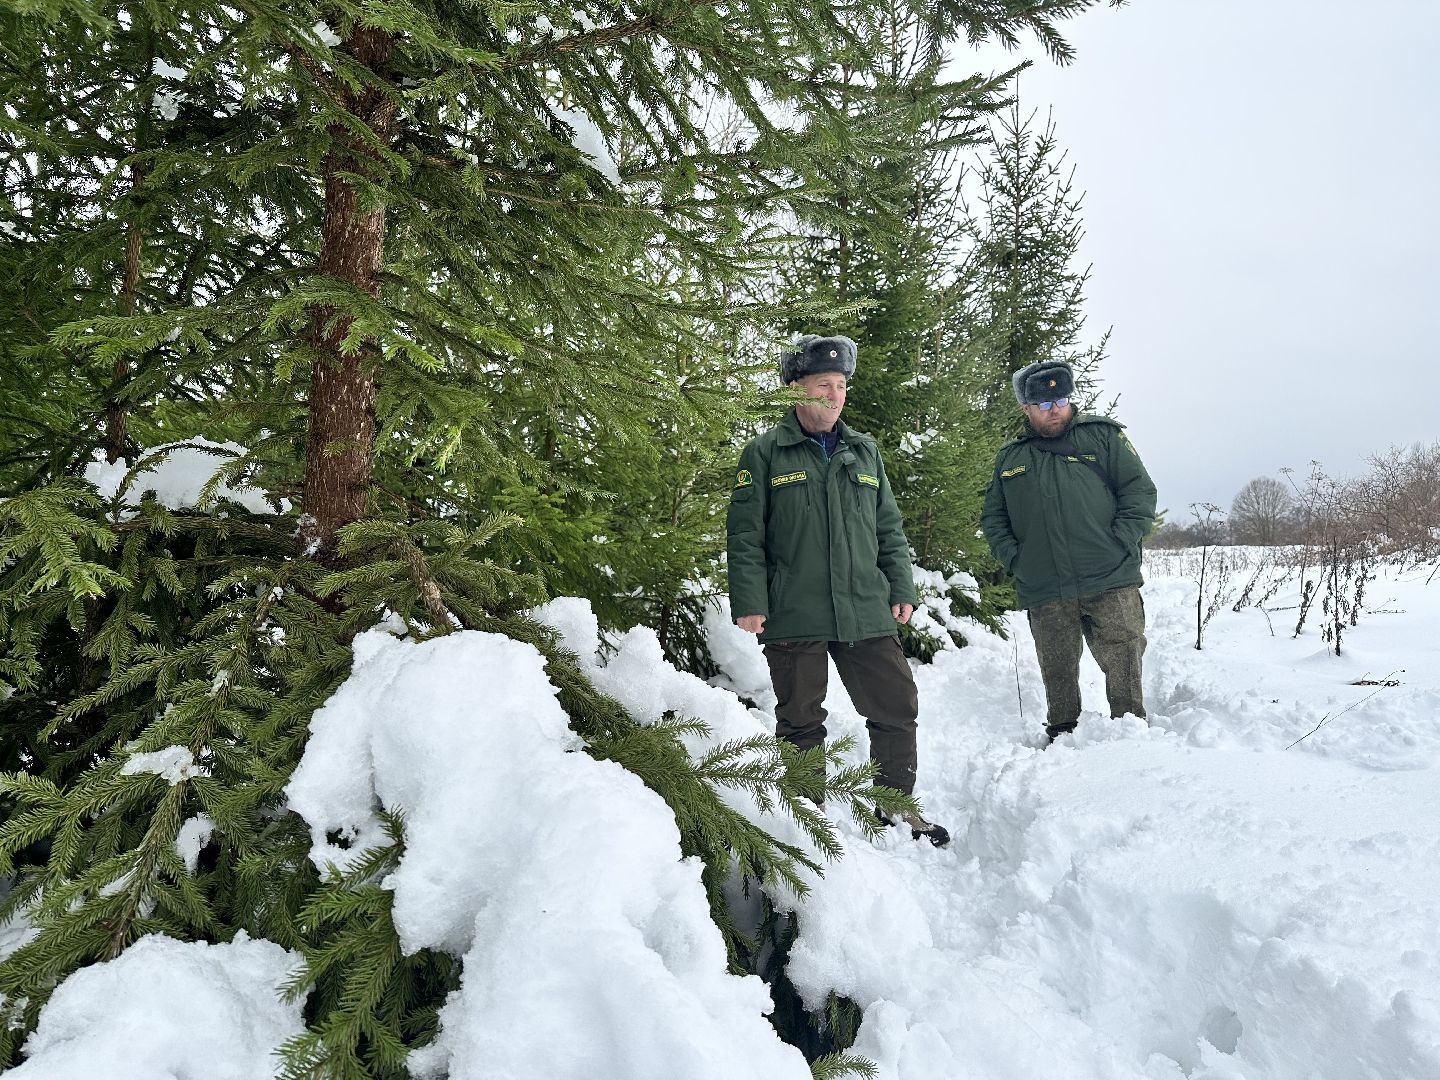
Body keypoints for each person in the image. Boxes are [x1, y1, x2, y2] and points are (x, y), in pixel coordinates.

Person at [726, 334, 949, 846]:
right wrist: (751, 601)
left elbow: (888, 529)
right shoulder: (764, 453)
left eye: (841, 385)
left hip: (864, 606)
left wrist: (901, 586)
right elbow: (745, 535)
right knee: (800, 718)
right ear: (795, 390)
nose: (834, 395)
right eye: (822, 384)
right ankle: (807, 819)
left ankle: (896, 809)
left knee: (896, 706)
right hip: (794, 607)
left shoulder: (863, 452)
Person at [980, 360, 1158, 746]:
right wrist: (1017, 560)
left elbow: (1139, 490)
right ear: (1026, 409)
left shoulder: (1102, 438)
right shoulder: (1011, 459)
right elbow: (994, 517)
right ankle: (1063, 735)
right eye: (1043, 404)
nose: (1055, 409)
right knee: (1056, 667)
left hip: (1110, 575)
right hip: (1046, 584)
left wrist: (1119, 540)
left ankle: (1131, 733)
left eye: (1060, 399)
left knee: (1124, 656)